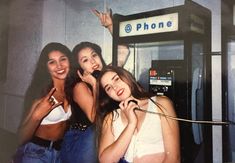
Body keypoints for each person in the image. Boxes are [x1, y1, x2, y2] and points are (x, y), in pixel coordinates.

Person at [95, 66, 181, 163]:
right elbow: (105, 161)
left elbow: (174, 158)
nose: (114, 87)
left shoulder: (161, 104)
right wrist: (131, 124)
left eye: (116, 79)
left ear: (127, 76)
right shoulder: (111, 118)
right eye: (108, 88)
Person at [12, 42, 72, 163]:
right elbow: (20, 138)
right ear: (46, 67)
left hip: (60, 153)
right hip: (37, 153)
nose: (59, 66)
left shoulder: (73, 89)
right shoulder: (39, 92)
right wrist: (37, 115)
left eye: (63, 59)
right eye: (52, 62)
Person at [60, 41, 105, 163]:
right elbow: (94, 118)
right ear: (80, 68)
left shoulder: (105, 80)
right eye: (85, 60)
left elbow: (122, 51)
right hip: (82, 138)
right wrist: (95, 85)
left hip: (98, 137)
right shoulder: (80, 87)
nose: (93, 61)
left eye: (94, 55)